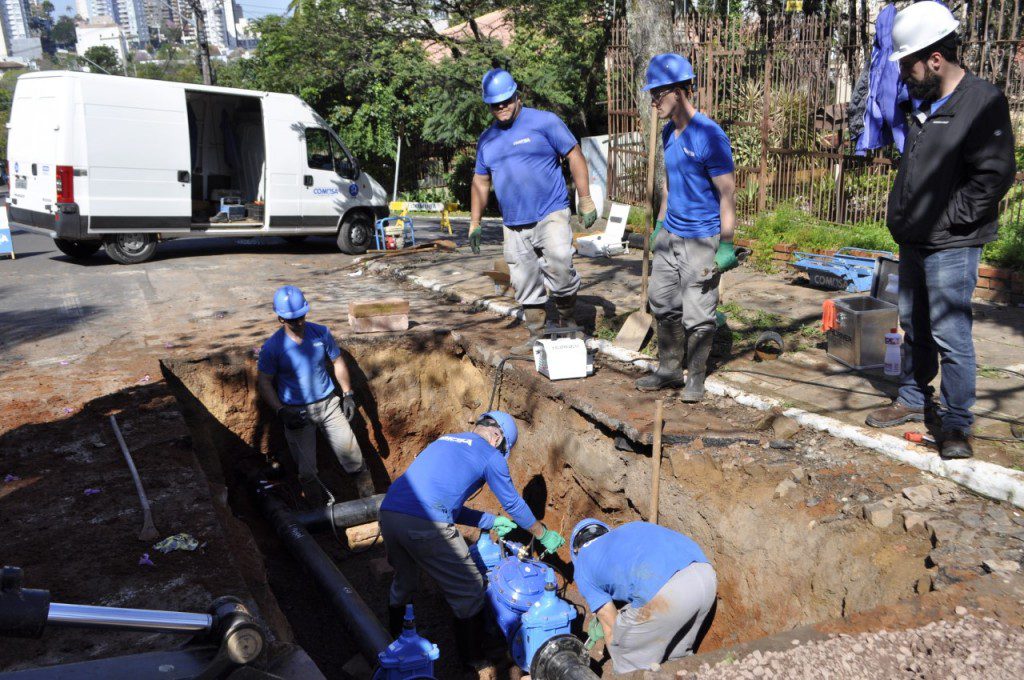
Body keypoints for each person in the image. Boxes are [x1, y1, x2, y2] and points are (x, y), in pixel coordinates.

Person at [865, 2, 1015, 460]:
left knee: (951, 332)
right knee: (913, 325)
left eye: (908, 63)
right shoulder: (924, 103)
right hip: (914, 240)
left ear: (935, 59)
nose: (904, 74)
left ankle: (956, 422)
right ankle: (912, 398)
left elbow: (994, 175)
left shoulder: (981, 101)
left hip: (952, 243)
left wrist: (949, 220)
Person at [378, 411, 566, 662]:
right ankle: (474, 660)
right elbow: (512, 504)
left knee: (405, 579)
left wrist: (491, 521)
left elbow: (446, 503)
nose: (501, 455)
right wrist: (542, 533)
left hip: (389, 513)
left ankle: (397, 642)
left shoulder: (445, 441)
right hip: (425, 524)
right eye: (503, 450)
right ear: (497, 437)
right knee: (470, 589)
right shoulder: (490, 455)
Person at [470, 68, 598, 351]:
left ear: (517, 96)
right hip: (514, 222)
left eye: (506, 100)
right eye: (495, 103)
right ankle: (537, 334)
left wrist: (585, 197)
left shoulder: (545, 122)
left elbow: (574, 155)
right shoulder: (487, 139)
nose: (501, 107)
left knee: (560, 263)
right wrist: (474, 222)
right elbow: (480, 180)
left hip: (550, 211)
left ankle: (568, 326)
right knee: (523, 278)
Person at [635, 54, 739, 402]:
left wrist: (726, 244)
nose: (653, 102)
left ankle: (695, 378)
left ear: (679, 92)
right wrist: (661, 223)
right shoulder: (668, 133)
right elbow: (670, 184)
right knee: (662, 302)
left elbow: (727, 192)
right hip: (672, 235)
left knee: (698, 312)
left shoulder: (709, 135)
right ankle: (668, 370)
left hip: (701, 238)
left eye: (658, 94)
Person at [256, 285, 373, 505]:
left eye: (301, 316)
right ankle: (321, 518)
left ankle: (369, 506)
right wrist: (281, 411)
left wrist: (347, 394)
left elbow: (337, 361)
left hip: (329, 405)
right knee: (307, 472)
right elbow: (264, 381)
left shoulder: (321, 333)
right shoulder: (273, 347)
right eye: (292, 320)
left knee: (354, 458)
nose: (299, 323)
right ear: (280, 318)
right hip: (296, 413)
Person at [570, 519, 717, 674]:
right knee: (677, 658)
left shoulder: (582, 566)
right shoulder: (630, 528)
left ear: (575, 551)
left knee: (625, 654)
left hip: (668, 596)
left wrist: (619, 641)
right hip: (706, 577)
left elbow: (610, 627)